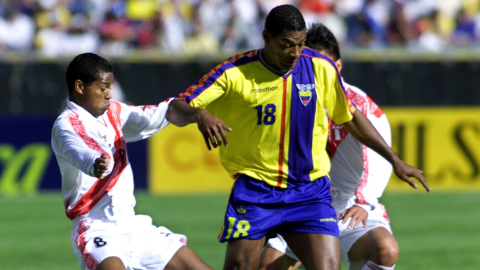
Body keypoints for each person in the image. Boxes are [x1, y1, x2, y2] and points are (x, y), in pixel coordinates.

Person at [166, 5, 430, 270]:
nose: (295, 53)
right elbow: (175, 107)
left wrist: (395, 160)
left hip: (309, 191)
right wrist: (199, 114)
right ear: (267, 37)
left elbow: (351, 118)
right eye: (286, 45)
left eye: (301, 44)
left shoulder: (319, 68)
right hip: (257, 190)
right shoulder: (235, 71)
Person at [258, 23, 402, 270]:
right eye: (307, 65)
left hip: (350, 206)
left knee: (385, 250)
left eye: (321, 65)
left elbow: (377, 153)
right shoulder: (286, 99)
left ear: (337, 67)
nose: (314, 72)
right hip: (302, 205)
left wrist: (364, 199)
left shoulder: (358, 104)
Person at [51, 53, 214, 270]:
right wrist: (94, 163)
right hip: (95, 226)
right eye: (103, 88)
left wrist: (197, 113)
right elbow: (79, 152)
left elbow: (159, 114)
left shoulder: (115, 111)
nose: (109, 94)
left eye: (110, 87)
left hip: (134, 225)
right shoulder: (65, 125)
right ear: (80, 87)